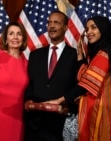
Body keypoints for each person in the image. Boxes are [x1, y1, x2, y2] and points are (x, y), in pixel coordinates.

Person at [46, 16, 111, 141]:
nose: (88, 32)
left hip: (103, 114)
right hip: (101, 111)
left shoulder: (104, 54)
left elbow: (84, 84)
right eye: (87, 29)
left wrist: (59, 100)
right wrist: (80, 54)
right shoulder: (100, 54)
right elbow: (84, 76)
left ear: (103, 30)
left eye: (94, 28)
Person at [24, 11, 80, 141]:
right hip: (35, 123)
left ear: (65, 27)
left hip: (60, 123)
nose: (52, 26)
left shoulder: (74, 55)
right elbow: (30, 83)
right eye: (49, 23)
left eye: (56, 22)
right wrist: (27, 100)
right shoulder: (35, 55)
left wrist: (68, 107)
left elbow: (77, 86)